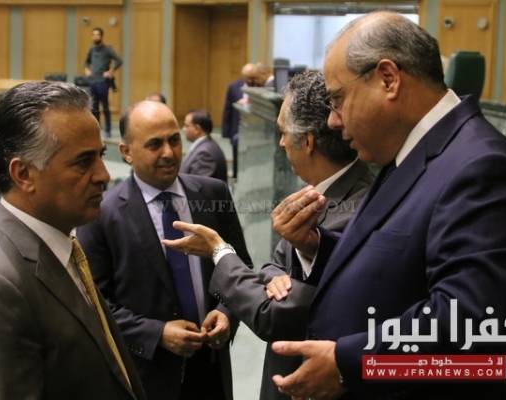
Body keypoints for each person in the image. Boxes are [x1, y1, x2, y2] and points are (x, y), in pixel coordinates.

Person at [264, 12, 506, 399]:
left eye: (338, 99)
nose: (332, 121)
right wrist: (317, 246)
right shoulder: (410, 153)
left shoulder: (484, 168)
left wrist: (348, 364)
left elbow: (470, 323)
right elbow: (397, 261)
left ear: (388, 79)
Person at [163, 70, 373, 400]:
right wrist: (276, 277)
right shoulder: (313, 191)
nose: (281, 142)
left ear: (308, 142)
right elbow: (273, 266)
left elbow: (272, 315)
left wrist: (218, 250)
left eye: (283, 132)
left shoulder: (356, 210)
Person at [0, 81, 146, 400]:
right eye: (83, 162)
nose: (103, 175)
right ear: (24, 174)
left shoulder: (60, 241)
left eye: (100, 156)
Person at [76, 100, 252, 400]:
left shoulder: (213, 194)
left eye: (174, 140)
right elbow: (96, 304)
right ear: (126, 152)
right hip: (148, 374)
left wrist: (226, 313)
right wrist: (156, 334)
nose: (169, 153)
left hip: (211, 369)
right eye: (155, 144)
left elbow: (239, 266)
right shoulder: (102, 215)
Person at [221, 63, 269, 178]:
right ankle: (236, 178)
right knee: (236, 159)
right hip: (236, 130)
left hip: (255, 131)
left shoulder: (262, 87)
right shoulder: (233, 87)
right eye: (248, 78)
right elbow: (227, 110)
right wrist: (226, 132)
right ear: (243, 76)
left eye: (253, 78)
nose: (251, 81)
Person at [85, 27, 122, 138]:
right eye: (93, 35)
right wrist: (87, 70)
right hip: (93, 81)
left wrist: (111, 71)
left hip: (103, 82)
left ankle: (108, 130)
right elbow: (86, 62)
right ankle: (96, 130)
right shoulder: (91, 49)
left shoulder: (108, 49)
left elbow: (119, 61)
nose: (95, 36)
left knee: (105, 107)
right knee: (94, 108)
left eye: (97, 34)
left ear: (101, 36)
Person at [181, 109, 228, 182]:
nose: (183, 129)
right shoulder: (206, 145)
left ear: (197, 129)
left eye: (186, 126)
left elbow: (197, 186)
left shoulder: (205, 154)